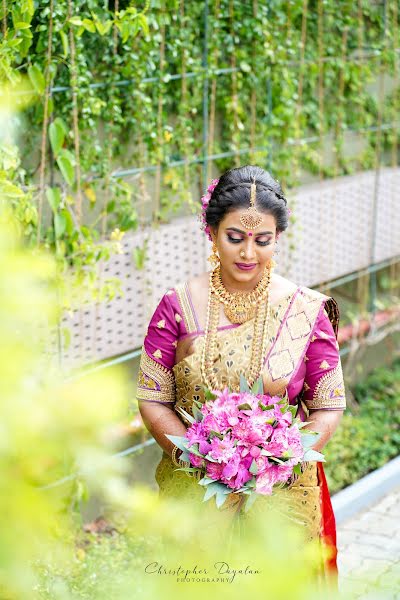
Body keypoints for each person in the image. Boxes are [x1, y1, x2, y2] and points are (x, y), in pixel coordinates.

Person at [137, 165, 346, 581]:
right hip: (196, 494)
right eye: (235, 238)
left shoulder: (302, 310)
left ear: (277, 239)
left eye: (262, 240)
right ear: (212, 232)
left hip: (284, 498)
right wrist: (197, 459)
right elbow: (152, 397)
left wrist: (279, 459)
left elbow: (327, 404)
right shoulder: (178, 307)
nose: (248, 253)